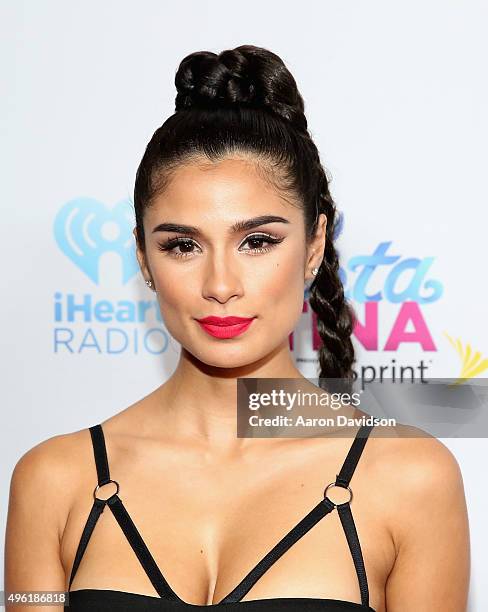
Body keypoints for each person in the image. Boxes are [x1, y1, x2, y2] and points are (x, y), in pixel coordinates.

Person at [5, 45, 470, 612]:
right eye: (182, 245)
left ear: (314, 245)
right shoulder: (53, 480)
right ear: (144, 260)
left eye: (257, 241)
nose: (220, 283)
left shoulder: (411, 478)